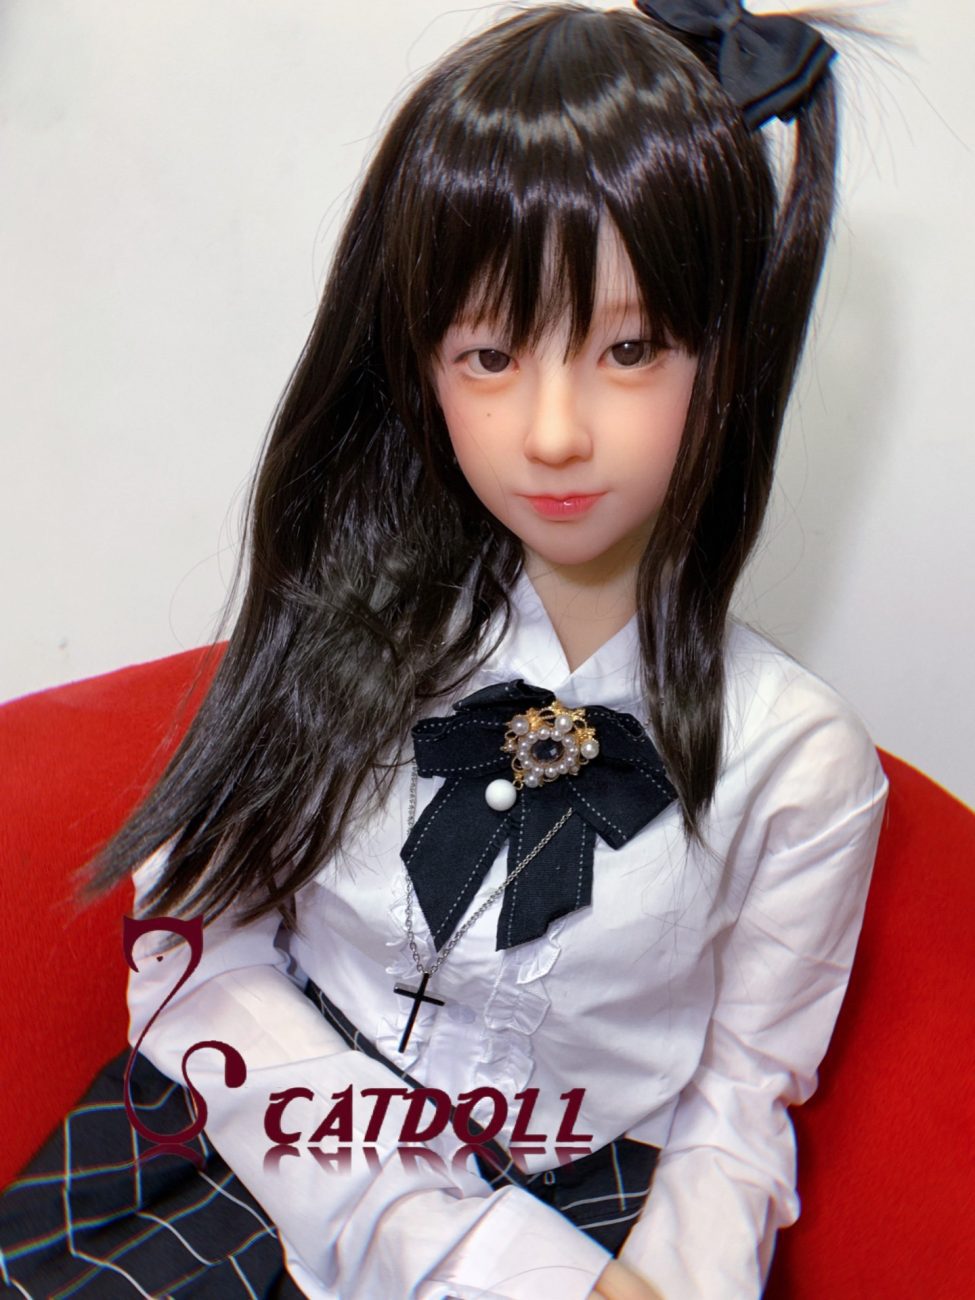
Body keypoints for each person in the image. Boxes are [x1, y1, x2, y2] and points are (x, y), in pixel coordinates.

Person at [0, 3, 889, 1297]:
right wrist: (451, 1239)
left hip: (588, 1216)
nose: (555, 430)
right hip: (265, 1146)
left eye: (629, 347)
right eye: (491, 353)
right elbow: (195, 950)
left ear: (726, 355)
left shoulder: (800, 761)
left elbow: (742, 1101)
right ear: (419, 364)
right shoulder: (341, 632)